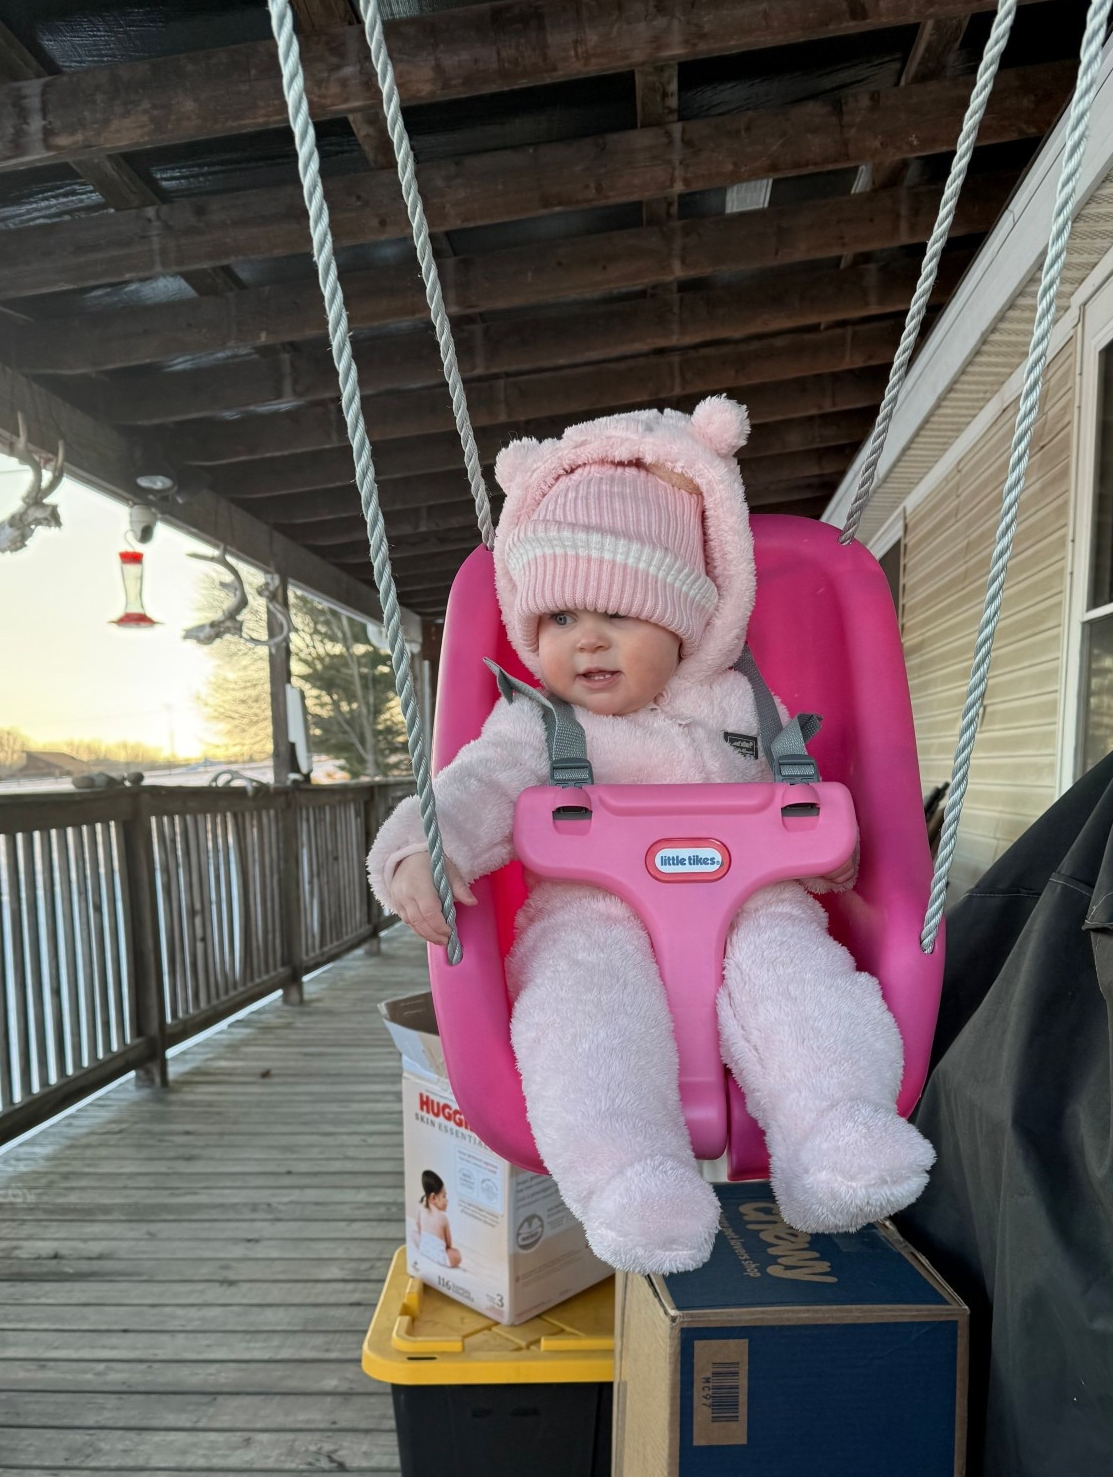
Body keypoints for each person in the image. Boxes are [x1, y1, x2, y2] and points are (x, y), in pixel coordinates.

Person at [369, 396, 932, 1273]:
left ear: (684, 621)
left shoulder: (743, 707)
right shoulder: (537, 725)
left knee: (803, 984)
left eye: (620, 616)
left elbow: (800, 800)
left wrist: (833, 858)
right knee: (578, 1020)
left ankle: (837, 1131)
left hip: (754, 908)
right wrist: (421, 850)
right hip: (594, 921)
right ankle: (631, 1175)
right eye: (560, 620)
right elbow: (473, 788)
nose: (587, 642)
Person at [411, 1169, 461, 1269]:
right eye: (444, 1196)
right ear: (433, 1198)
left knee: (413, 1233)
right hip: (441, 1257)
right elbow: (448, 1244)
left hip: (424, 1248)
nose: (447, 1200)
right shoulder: (443, 1218)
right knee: (457, 1254)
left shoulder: (421, 1208)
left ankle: (426, 1251)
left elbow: (419, 1227)